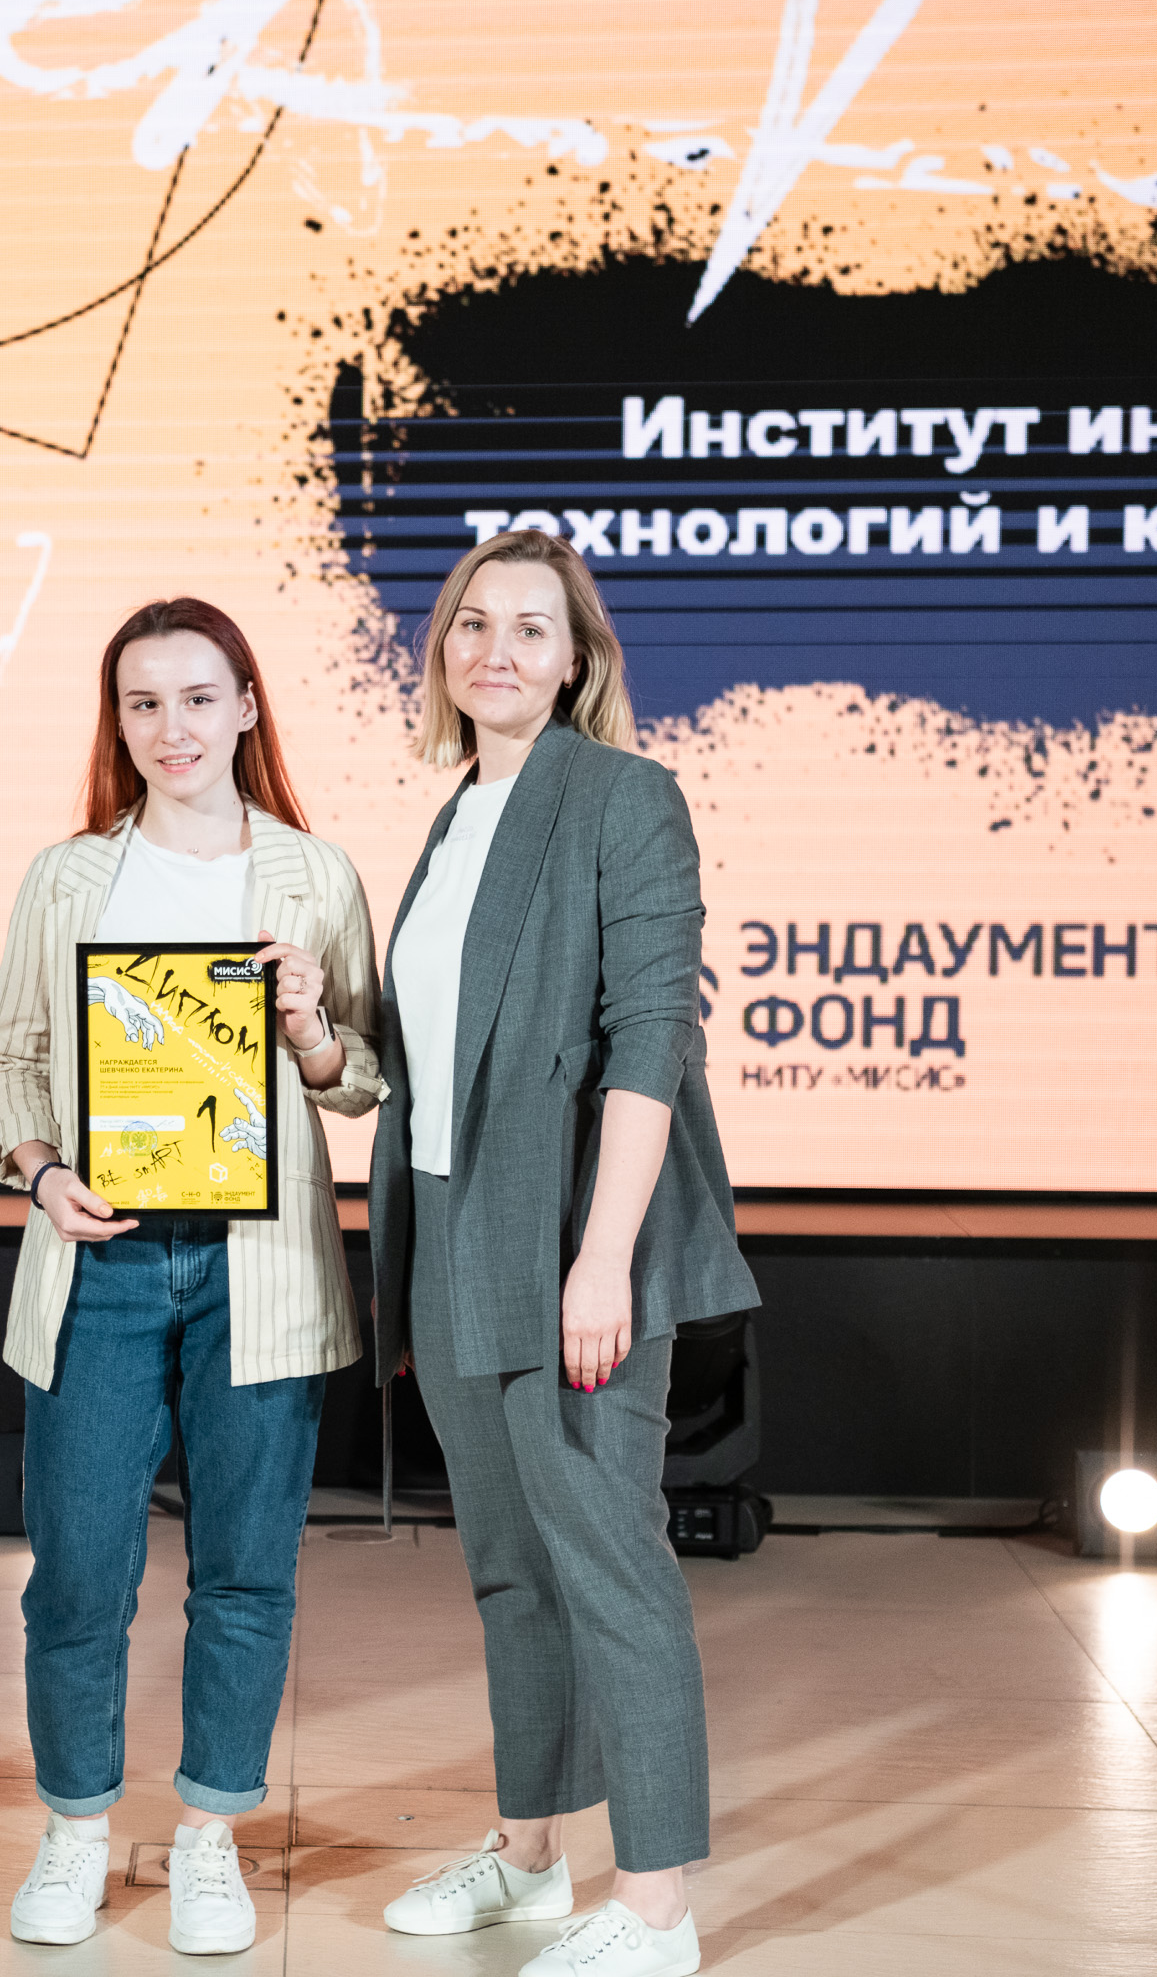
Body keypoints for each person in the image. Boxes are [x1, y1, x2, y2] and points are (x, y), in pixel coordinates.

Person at [365, 529, 754, 1977]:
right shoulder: (456, 813)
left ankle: (657, 1910)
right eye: (473, 623)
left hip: (578, 1242)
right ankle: (530, 1856)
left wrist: (603, 1261)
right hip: (452, 1232)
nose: (498, 650)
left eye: (533, 627)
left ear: (578, 657)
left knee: (609, 1566)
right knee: (510, 1567)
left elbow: (654, 1038)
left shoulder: (623, 796)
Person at [0, 598, 382, 1957]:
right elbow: (15, 1061)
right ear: (118, 721)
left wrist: (310, 1029)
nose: (173, 728)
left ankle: (210, 1837)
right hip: (101, 1258)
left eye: (200, 698)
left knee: (246, 1574)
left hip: (261, 1267)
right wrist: (41, 1173)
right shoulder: (68, 877)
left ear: (248, 707)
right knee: (76, 1576)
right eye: (143, 703)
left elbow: (364, 1081)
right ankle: (76, 1829)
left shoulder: (316, 875)